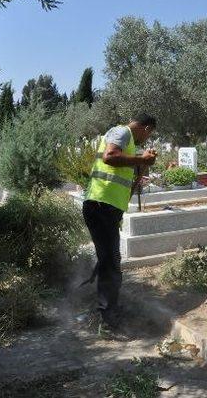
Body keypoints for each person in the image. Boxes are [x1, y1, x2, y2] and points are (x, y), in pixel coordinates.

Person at [82, 114, 157, 328]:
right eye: (149, 133)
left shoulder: (130, 143)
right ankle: (107, 317)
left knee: (110, 260)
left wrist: (143, 163)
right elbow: (109, 157)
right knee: (111, 262)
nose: (147, 138)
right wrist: (141, 159)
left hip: (107, 208)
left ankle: (108, 309)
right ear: (146, 127)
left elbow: (127, 174)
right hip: (100, 205)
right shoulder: (122, 132)